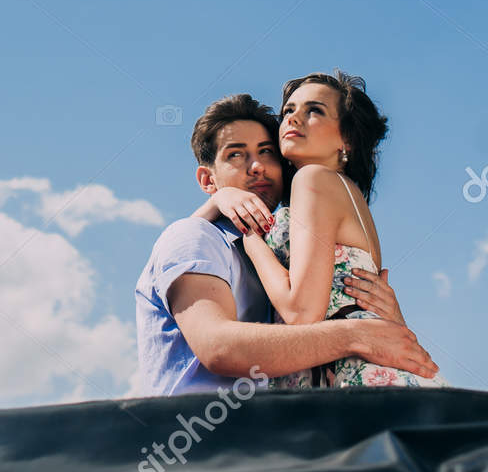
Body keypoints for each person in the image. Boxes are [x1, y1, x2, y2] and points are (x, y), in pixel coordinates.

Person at [134, 92, 436, 395]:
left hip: (294, 423)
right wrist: (354, 334)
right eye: (236, 155)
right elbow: (219, 347)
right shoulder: (195, 237)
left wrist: (388, 321)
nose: (257, 166)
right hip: (196, 434)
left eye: (267, 152)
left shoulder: (275, 254)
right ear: (207, 179)